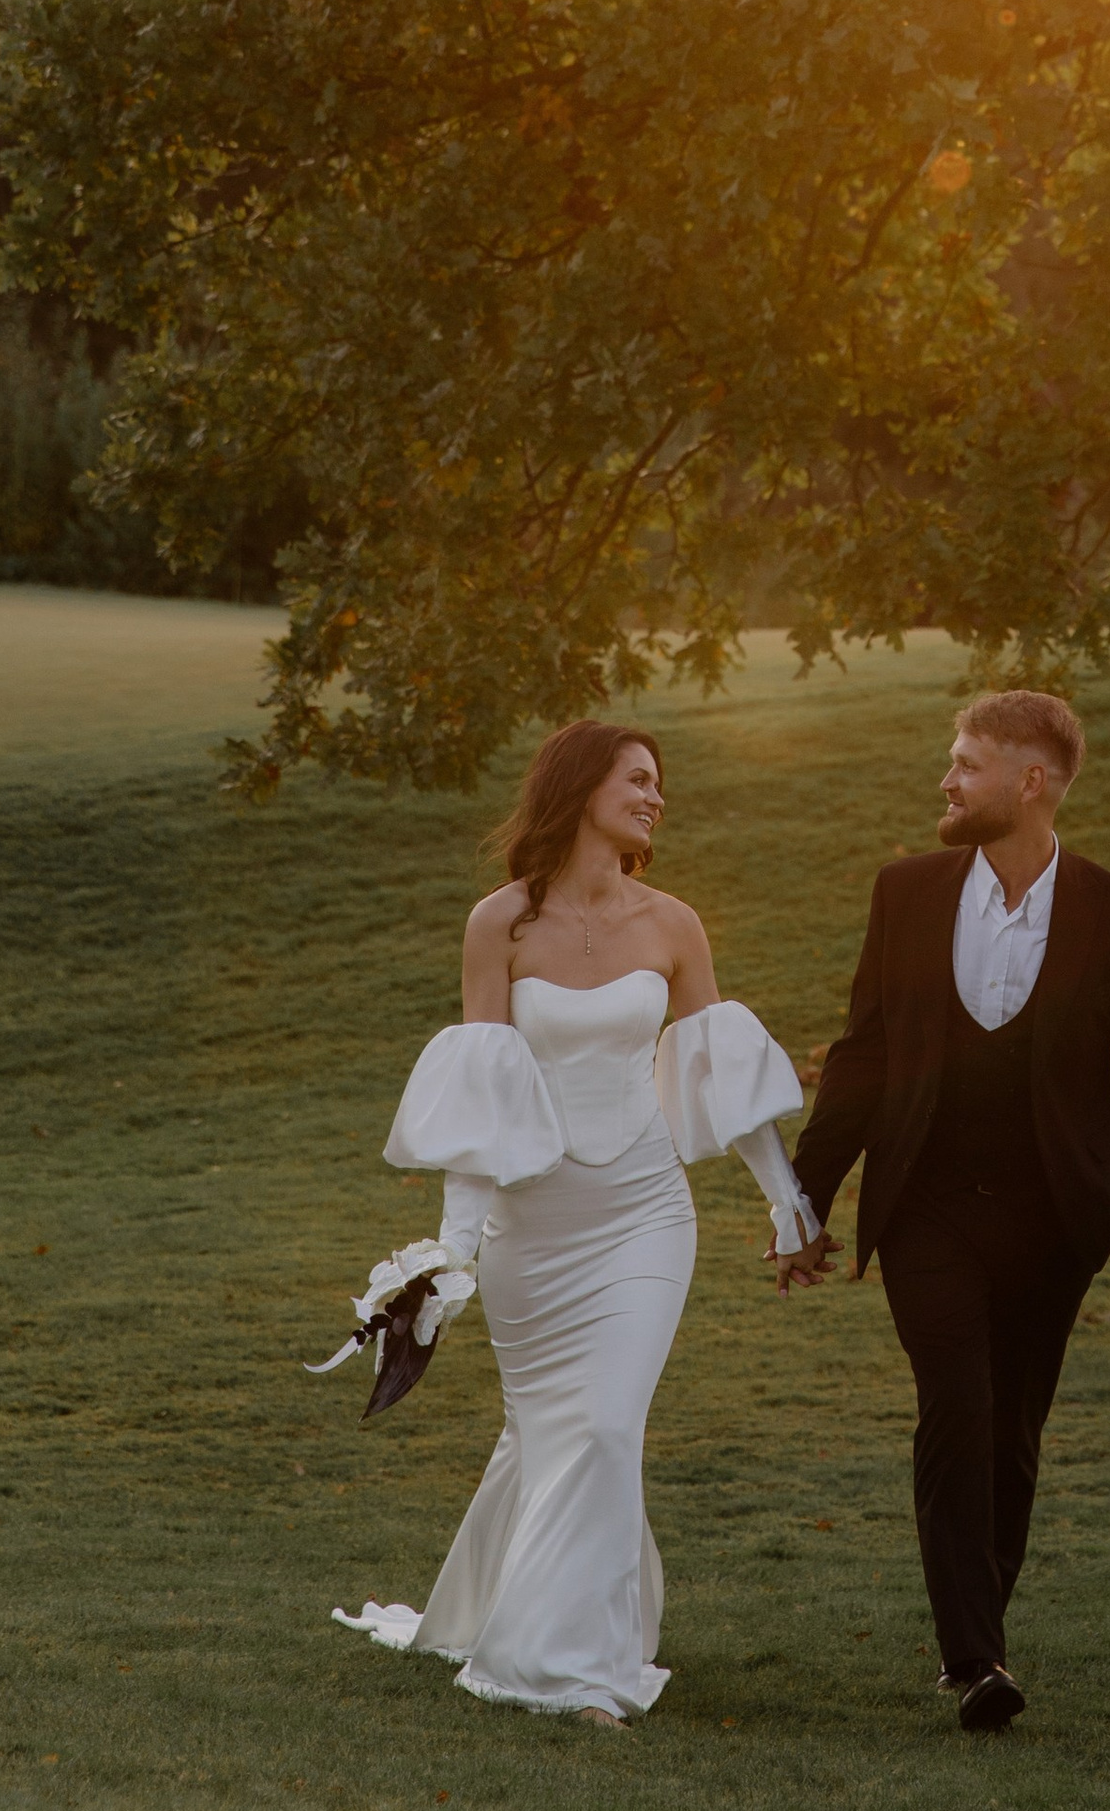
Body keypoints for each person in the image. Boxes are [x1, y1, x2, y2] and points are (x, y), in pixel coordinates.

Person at [330, 722, 817, 1722]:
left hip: (644, 1216)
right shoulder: (498, 925)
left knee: (603, 1425)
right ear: (581, 785)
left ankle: (573, 1671)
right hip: (531, 1229)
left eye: (659, 784)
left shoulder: (674, 924)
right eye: (638, 779)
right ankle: (525, 1613)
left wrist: (787, 1201)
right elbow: (481, 1100)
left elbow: (715, 1074)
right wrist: (450, 1254)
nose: (656, 797)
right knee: (553, 1431)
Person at [785, 688, 1110, 1734]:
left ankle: (981, 1636)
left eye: (965, 764)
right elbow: (861, 1059)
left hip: (1054, 1221)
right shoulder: (905, 892)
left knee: (1013, 1431)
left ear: (1029, 781)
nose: (946, 782)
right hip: (927, 1208)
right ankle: (973, 1660)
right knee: (956, 1408)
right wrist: (805, 1197)